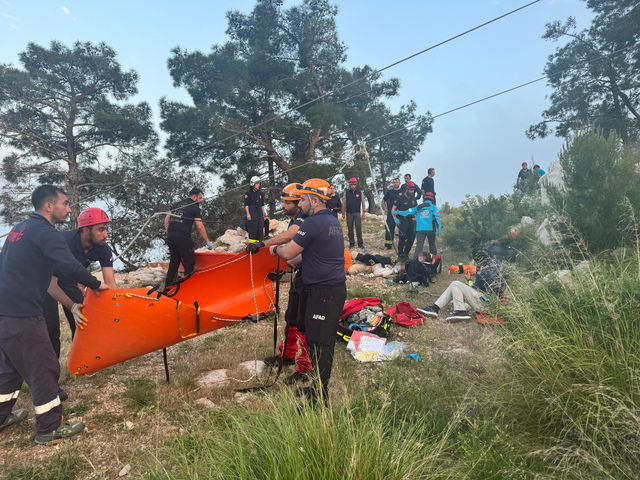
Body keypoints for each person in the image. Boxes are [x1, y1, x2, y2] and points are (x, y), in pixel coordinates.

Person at [0, 185, 109, 444]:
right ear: (49, 206)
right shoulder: (45, 232)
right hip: (23, 312)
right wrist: (96, 284)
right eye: (65, 203)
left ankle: (1, 417)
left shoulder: (19, 229)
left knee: (9, 368)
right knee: (44, 366)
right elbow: (67, 264)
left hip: (4, 310)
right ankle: (49, 427)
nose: (69, 208)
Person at [270, 178, 346, 405]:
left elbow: (287, 252)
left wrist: (274, 249)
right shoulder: (332, 221)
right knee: (321, 342)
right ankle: (316, 389)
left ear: (314, 200)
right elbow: (311, 253)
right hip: (331, 290)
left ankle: (320, 399)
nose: (299, 204)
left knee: (320, 346)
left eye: (302, 199)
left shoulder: (312, 223)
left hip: (323, 292)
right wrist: (295, 260)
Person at [245, 184, 312, 383]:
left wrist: (263, 244)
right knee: (291, 318)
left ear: (299, 204)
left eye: (287, 202)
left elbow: (291, 235)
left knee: (302, 323)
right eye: (282, 201)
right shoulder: (296, 218)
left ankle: (305, 366)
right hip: (300, 273)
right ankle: (288, 354)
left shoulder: (303, 219)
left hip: (311, 277)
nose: (283, 205)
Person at [422, 247, 507, 323]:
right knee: (458, 292)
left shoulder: (483, 273)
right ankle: (435, 308)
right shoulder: (498, 263)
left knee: (455, 284)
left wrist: (469, 280)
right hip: (497, 304)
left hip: (487, 305)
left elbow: (474, 289)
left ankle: (460, 311)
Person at [164, 187, 213, 287]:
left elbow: (166, 220)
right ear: (194, 197)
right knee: (189, 263)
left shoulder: (176, 204)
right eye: (200, 198)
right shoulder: (194, 207)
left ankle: (168, 288)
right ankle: (187, 288)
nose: (201, 200)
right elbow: (200, 226)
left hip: (171, 237)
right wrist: (207, 241)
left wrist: (170, 233)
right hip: (183, 238)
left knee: (174, 262)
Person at [396, 192, 441, 258]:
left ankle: (416, 261)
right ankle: (434, 260)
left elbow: (408, 212)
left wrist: (398, 212)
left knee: (419, 246)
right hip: (431, 229)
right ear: (432, 199)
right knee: (432, 246)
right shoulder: (433, 207)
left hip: (420, 229)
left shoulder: (418, 207)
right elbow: (437, 216)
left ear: (423, 199)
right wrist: (439, 226)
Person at [391, 180, 418, 262]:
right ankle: (400, 254)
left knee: (412, 236)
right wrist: (395, 218)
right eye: (411, 190)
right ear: (406, 190)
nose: (412, 191)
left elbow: (416, 209)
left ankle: (406, 253)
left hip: (411, 220)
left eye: (413, 190)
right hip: (402, 220)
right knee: (403, 237)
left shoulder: (413, 198)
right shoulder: (400, 198)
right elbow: (393, 209)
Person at [341, 177, 365, 248]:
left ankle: (360, 244)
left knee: (358, 228)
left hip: (357, 213)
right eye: (351, 185)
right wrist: (343, 213)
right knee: (350, 229)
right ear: (349, 185)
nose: (352, 186)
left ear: (356, 185)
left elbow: (363, 202)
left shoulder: (360, 192)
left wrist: (363, 212)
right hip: (349, 213)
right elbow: (344, 203)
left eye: (354, 185)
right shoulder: (346, 193)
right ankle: (352, 243)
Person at [244, 176, 268, 243]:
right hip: (252, 212)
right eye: (257, 183)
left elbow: (262, 205)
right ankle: (252, 245)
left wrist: (264, 214)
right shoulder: (248, 193)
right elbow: (246, 205)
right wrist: (248, 214)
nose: (259, 185)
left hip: (259, 212)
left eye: (259, 183)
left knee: (260, 229)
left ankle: (260, 244)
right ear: (253, 184)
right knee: (253, 229)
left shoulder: (260, 193)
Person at [382, 177, 402, 250]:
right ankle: (388, 245)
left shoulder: (403, 191)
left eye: (397, 182)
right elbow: (383, 201)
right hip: (391, 213)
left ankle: (403, 245)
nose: (395, 183)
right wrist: (386, 209)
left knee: (402, 229)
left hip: (400, 212)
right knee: (389, 229)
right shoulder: (390, 192)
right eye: (394, 182)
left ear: (399, 183)